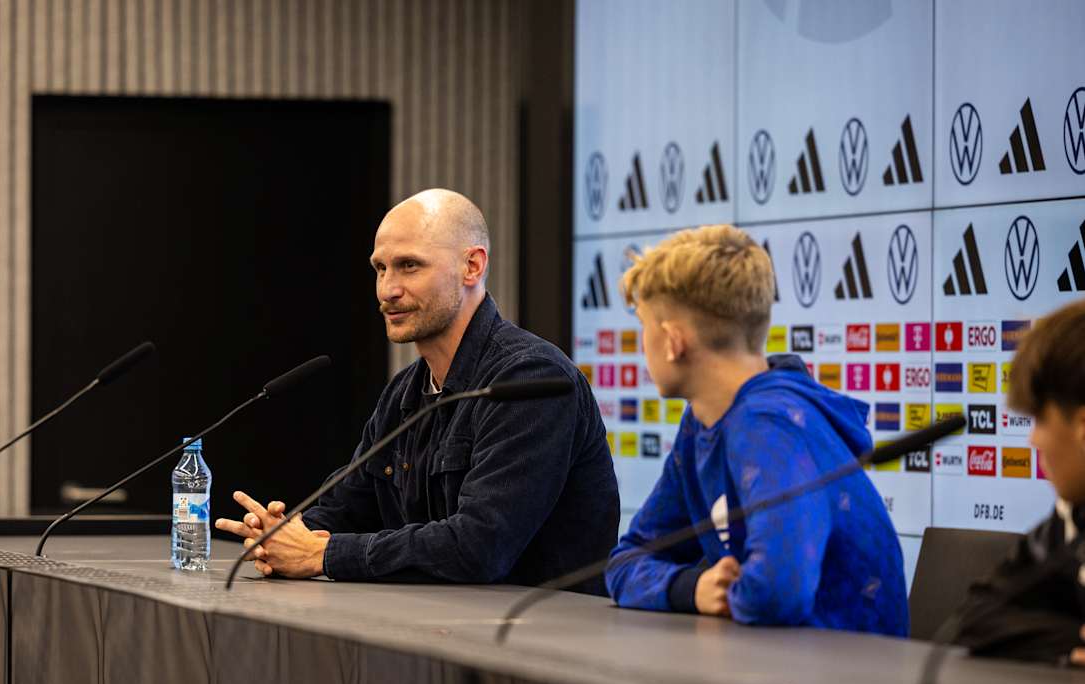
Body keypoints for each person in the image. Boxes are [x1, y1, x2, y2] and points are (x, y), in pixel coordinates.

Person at [215, 189, 618, 593]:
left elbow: (479, 546)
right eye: (380, 268)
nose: (387, 290)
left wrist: (321, 554)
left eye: (409, 266)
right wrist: (283, 536)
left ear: (472, 267)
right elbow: (348, 508)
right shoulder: (404, 393)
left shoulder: (527, 379)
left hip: (539, 641)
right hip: (436, 631)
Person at [604, 224, 908, 635]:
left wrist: (720, 594)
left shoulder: (768, 424)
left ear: (673, 341)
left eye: (643, 325)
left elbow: (779, 592)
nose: (643, 344)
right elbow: (627, 560)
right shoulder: (703, 422)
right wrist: (690, 588)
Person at [950, 299, 1085, 665]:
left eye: (1040, 420)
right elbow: (978, 618)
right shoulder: (1070, 523)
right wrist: (1071, 638)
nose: (1033, 441)